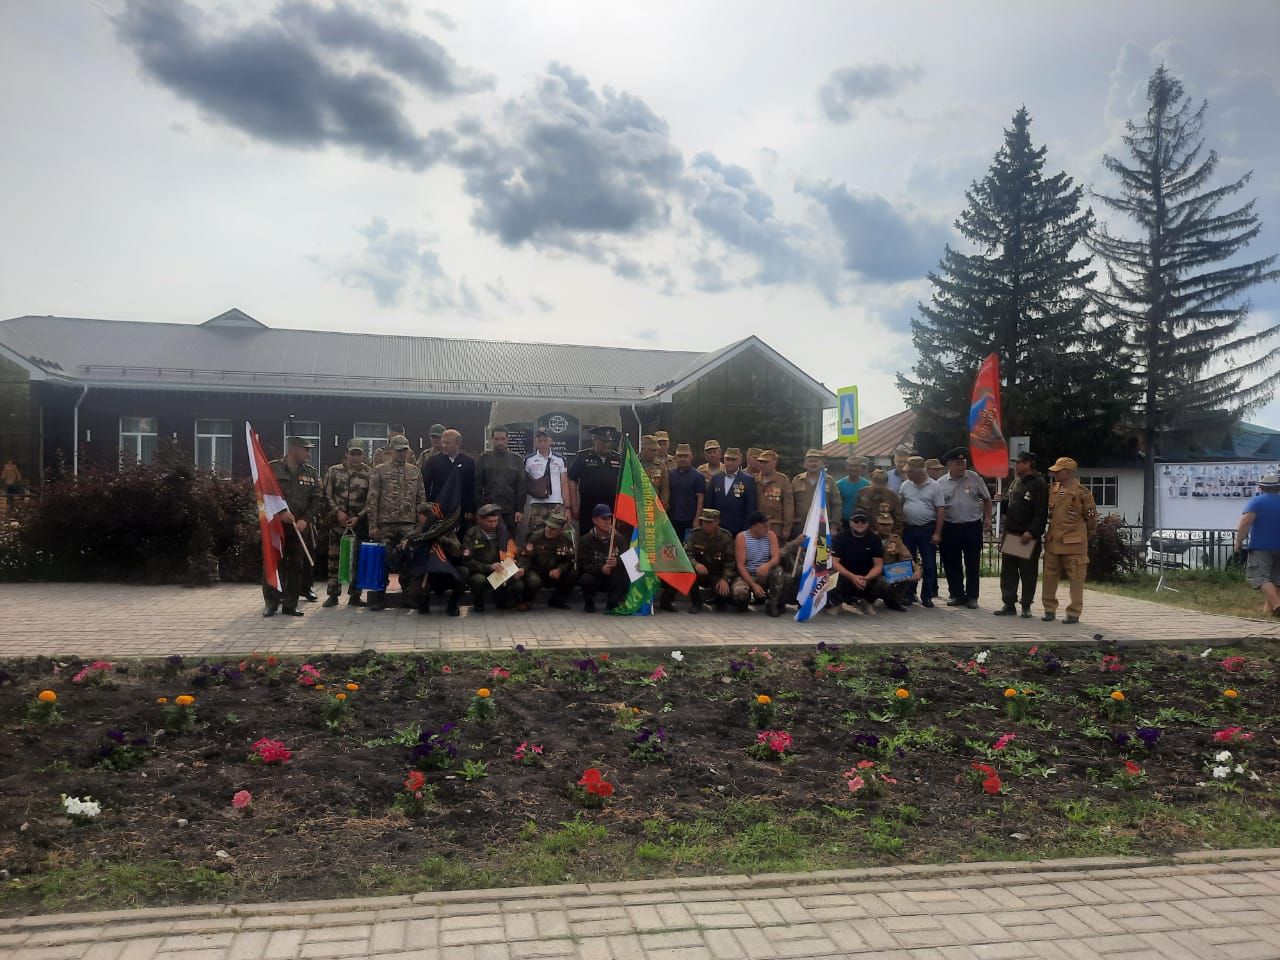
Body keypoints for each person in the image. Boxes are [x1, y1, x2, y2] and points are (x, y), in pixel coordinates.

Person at [263, 436, 324, 618]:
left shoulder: (312, 473)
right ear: (293, 450)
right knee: (273, 563)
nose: (308, 453)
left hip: (299, 528)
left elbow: (317, 499)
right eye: (305, 449)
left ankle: (290, 604)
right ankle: (271, 603)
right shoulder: (272, 468)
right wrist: (280, 513)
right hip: (276, 526)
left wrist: (305, 519)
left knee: (296, 566)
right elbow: (264, 494)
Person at [366, 434, 429, 611]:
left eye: (404, 450)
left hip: (409, 523)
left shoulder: (415, 471)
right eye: (399, 450)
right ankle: (380, 597)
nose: (402, 453)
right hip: (385, 524)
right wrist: (372, 524)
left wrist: (421, 525)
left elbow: (421, 498)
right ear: (392, 450)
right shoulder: (379, 470)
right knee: (383, 560)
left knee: (409, 560)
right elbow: (372, 498)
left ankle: (408, 596)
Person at [1041, 457, 1097, 624]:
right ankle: (1049, 609)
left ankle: (1073, 612)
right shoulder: (1053, 489)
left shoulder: (1082, 492)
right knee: (1049, 577)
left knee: (1076, 578)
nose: (1055, 473)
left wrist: (1087, 535)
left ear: (1069, 472)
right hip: (1053, 542)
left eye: (1059, 470)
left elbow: (1091, 518)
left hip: (1073, 544)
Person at [936, 447, 992, 608]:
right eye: (958, 463)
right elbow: (938, 507)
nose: (961, 467)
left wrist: (987, 518)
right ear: (949, 465)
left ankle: (972, 596)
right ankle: (957, 594)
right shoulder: (940, 483)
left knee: (972, 563)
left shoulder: (973, 477)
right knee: (952, 563)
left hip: (972, 526)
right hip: (950, 527)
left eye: (963, 463)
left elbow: (987, 499)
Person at [996, 451, 1049, 618]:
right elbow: (1012, 507)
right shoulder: (1015, 483)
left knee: (1027, 573)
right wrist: (1002, 502)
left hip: (1026, 535)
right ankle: (1009, 603)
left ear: (1028, 464)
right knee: (1008, 571)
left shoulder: (1038, 484)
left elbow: (1041, 512)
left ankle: (1026, 605)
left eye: (1018, 462)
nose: (1016, 465)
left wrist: (1032, 531)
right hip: (1011, 533)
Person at [321, 439, 373, 608]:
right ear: (346, 454)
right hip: (338, 524)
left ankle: (355, 595)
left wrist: (359, 516)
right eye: (353, 454)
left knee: (357, 560)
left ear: (363, 455)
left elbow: (371, 500)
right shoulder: (333, 472)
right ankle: (333, 594)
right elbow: (326, 495)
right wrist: (338, 512)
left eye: (359, 454)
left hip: (359, 524)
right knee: (334, 559)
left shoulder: (369, 474)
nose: (355, 458)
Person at [400, 501, 466, 616]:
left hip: (445, 572)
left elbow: (457, 551)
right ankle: (423, 602)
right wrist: (406, 546)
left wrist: (444, 541)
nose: (421, 518)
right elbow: (402, 548)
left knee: (463, 572)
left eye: (424, 515)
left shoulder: (446, 532)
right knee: (415, 591)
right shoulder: (417, 533)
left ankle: (452, 604)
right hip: (426, 574)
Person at [898, 456, 946, 608]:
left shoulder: (934, 486)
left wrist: (937, 533)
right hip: (909, 528)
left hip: (927, 528)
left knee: (929, 564)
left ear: (920, 471)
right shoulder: (905, 485)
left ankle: (927, 596)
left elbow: (940, 510)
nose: (908, 474)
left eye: (910, 472)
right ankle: (909, 594)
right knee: (907, 562)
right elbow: (900, 505)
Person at [462, 504, 522, 612]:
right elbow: (467, 561)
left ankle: (502, 599)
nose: (494, 524)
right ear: (480, 520)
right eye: (490, 521)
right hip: (479, 570)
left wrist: (512, 567)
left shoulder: (502, 533)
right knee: (478, 580)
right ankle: (478, 602)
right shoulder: (472, 534)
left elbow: (511, 552)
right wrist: (488, 567)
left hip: (498, 570)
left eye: (496, 521)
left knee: (518, 584)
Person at [1236, 473, 1280, 616]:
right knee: (1276, 579)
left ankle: (1278, 605)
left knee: (1259, 577)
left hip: (1261, 547)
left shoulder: (1257, 502)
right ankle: (1269, 610)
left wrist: (1238, 542)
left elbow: (1246, 522)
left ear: (1261, 487)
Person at [567, 426, 622, 536]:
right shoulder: (583, 457)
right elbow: (572, 480)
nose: (607, 445)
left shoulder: (618, 458)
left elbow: (624, 483)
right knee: (587, 537)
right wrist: (574, 505)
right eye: (604, 441)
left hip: (611, 505)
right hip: (588, 506)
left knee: (610, 537)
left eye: (609, 442)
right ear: (595, 440)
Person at [830, 510, 885, 615]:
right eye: (856, 521)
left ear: (868, 523)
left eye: (863, 521)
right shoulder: (840, 538)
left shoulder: (875, 539)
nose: (860, 523)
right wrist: (852, 577)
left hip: (866, 577)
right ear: (850, 523)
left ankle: (866, 603)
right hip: (845, 575)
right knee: (831, 578)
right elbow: (834, 562)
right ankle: (837, 604)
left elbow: (878, 565)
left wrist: (866, 578)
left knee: (883, 583)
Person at [578, 504, 629, 612]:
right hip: (596, 576)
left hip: (613, 578)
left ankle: (613, 601)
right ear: (595, 520)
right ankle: (589, 601)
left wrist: (618, 562)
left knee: (621, 575)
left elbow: (628, 560)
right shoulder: (585, 540)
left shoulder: (619, 538)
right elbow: (583, 564)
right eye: (604, 518)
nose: (608, 521)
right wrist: (601, 569)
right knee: (586, 578)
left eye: (609, 518)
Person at [520, 514, 577, 610]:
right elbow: (526, 557)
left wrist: (559, 570)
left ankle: (557, 600)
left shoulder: (566, 540)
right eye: (547, 526)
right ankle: (527, 600)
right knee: (534, 581)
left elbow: (569, 560)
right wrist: (523, 568)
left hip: (554, 572)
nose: (548, 530)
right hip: (537, 570)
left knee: (573, 574)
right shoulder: (535, 537)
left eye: (553, 529)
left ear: (560, 530)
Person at [475, 427, 525, 536]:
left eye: (503, 439)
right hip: (489, 509)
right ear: (492, 440)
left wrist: (519, 510)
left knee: (509, 545)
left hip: (510, 510)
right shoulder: (483, 459)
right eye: (497, 439)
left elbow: (521, 487)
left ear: (507, 439)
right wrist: (479, 509)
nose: (500, 442)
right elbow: (477, 486)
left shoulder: (517, 460)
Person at [732, 511, 784, 615]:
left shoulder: (770, 535)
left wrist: (767, 565)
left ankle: (772, 603)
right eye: (764, 526)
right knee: (739, 591)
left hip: (763, 573)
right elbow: (740, 566)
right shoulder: (742, 537)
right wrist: (753, 585)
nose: (767, 528)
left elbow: (776, 558)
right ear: (754, 526)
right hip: (747, 574)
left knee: (778, 571)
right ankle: (743, 602)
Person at [422, 429, 476, 524]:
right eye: (443, 442)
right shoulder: (433, 462)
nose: (444, 446)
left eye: (448, 443)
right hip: (438, 509)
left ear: (458, 444)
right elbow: (425, 486)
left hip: (461, 509)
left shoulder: (468, 462)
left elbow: (472, 487)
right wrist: (426, 508)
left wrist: (470, 508)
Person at [686, 507, 736, 613]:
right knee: (690, 574)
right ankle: (696, 603)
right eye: (704, 522)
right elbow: (687, 553)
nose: (706, 525)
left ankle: (718, 600)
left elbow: (730, 561)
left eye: (709, 522)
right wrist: (695, 564)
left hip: (716, 574)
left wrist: (725, 579)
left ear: (717, 522)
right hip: (699, 572)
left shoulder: (725, 537)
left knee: (723, 598)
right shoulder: (695, 535)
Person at [523, 428, 567, 541]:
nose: (542, 443)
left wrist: (568, 507)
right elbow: (525, 482)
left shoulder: (560, 459)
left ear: (550, 441)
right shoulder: (528, 460)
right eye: (539, 441)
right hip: (537, 503)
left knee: (556, 534)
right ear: (535, 442)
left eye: (545, 440)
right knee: (536, 534)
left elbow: (564, 483)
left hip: (556, 503)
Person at [705, 447, 757, 536]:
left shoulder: (748, 480)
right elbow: (709, 504)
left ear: (740, 460)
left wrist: (746, 531)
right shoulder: (716, 478)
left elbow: (750, 508)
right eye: (727, 459)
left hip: (738, 529)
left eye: (733, 460)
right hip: (717, 529)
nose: (730, 463)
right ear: (723, 460)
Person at [791, 449, 842, 539]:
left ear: (822, 463)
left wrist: (834, 526)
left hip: (822, 526)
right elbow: (790, 504)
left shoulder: (829, 481)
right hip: (801, 526)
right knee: (801, 551)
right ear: (805, 464)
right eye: (810, 461)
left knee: (821, 552)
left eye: (816, 461)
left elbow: (836, 504)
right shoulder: (797, 480)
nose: (813, 464)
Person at [874, 514, 917, 612]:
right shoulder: (870, 537)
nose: (886, 527)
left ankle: (893, 600)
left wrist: (916, 569)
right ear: (876, 525)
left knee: (908, 571)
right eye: (882, 525)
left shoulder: (895, 539)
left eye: (888, 525)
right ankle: (867, 599)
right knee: (881, 582)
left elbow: (907, 557)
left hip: (889, 570)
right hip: (873, 571)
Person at [667, 443, 706, 543]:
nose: (682, 459)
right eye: (680, 456)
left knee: (689, 548)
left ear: (691, 457)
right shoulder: (670, 475)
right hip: (673, 518)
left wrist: (697, 519)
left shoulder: (698, 476)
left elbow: (700, 499)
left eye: (685, 456)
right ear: (676, 458)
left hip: (690, 519)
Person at [755, 449, 794, 539]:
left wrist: (786, 529)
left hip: (776, 528)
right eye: (760, 462)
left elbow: (788, 507)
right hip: (756, 527)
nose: (763, 465)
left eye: (766, 462)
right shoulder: (755, 480)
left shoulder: (782, 480)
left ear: (774, 462)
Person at [855, 468, 904, 536]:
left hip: (885, 535)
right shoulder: (862, 494)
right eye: (876, 482)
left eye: (881, 483)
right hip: (866, 533)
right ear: (871, 481)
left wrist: (894, 535)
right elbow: (856, 514)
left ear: (886, 483)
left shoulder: (893, 497)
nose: (878, 486)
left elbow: (898, 519)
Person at [836, 457, 870, 532]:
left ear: (861, 468)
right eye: (851, 466)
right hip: (844, 523)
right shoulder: (839, 485)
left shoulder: (867, 485)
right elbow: (836, 505)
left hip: (862, 522)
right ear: (846, 467)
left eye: (856, 466)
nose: (853, 468)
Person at [639, 435, 670, 506]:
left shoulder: (661, 466)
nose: (655, 453)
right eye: (652, 450)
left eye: (656, 450)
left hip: (655, 506)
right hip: (637, 505)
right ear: (643, 449)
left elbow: (665, 490)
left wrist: (662, 506)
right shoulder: (634, 463)